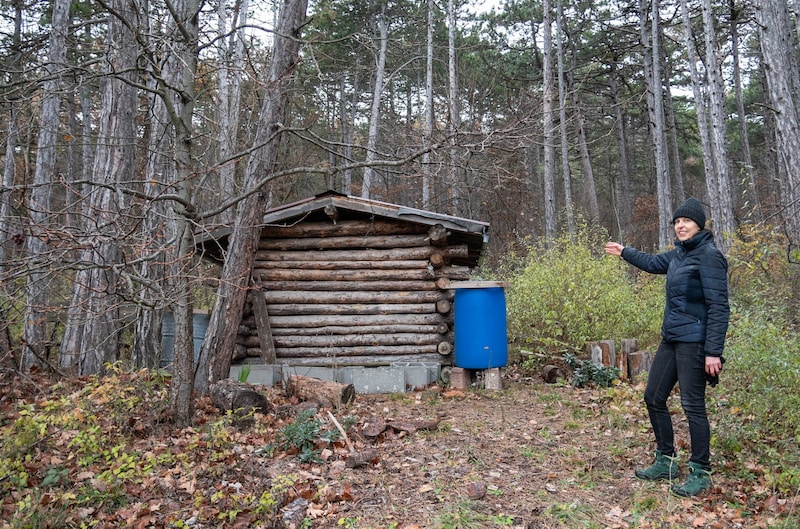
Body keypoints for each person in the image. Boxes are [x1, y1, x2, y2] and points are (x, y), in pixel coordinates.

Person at [604, 197, 729, 497]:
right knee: (653, 397)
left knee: (693, 406)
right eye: (676, 222)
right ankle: (667, 460)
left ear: (699, 225)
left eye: (686, 221)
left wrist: (713, 350)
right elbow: (650, 262)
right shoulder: (677, 256)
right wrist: (624, 252)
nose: (681, 226)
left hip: (695, 343)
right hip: (672, 339)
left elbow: (719, 307)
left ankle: (701, 471)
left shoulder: (709, 256)